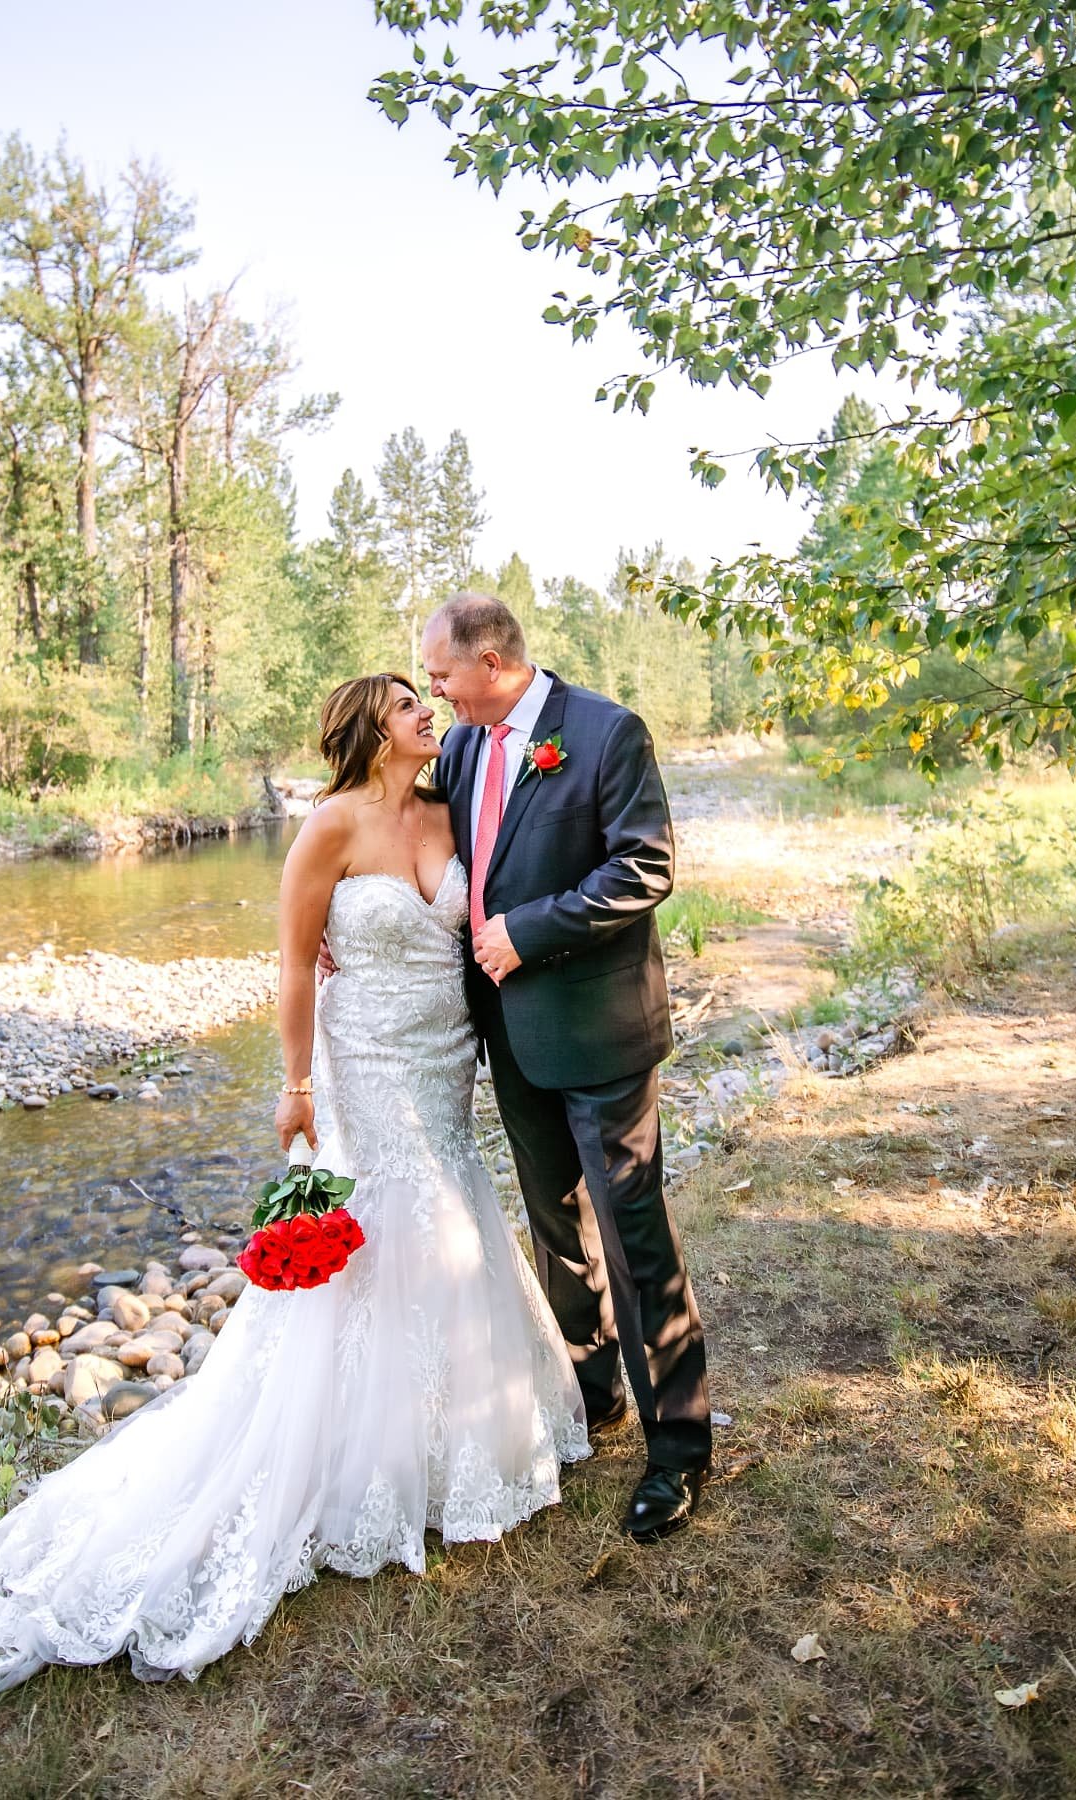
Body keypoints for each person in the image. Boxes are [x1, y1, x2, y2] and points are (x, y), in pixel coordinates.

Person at [0, 672, 588, 1697]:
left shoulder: (450, 810)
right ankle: (361, 1463)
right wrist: (295, 1086)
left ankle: (453, 1441)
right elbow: (296, 965)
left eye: (425, 700)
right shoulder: (329, 827)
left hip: (442, 1055)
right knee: (390, 1227)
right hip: (364, 1061)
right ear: (370, 731)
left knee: (450, 1221)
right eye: (409, 705)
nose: (427, 715)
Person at [419, 593, 712, 1541]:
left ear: (491, 660)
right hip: (510, 1034)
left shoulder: (606, 733)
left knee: (631, 1232)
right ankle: (592, 1394)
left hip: (599, 1027)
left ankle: (679, 1450)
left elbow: (644, 867)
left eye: (441, 674)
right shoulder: (462, 747)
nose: (435, 691)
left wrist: (529, 931)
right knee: (555, 1226)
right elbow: (428, 844)